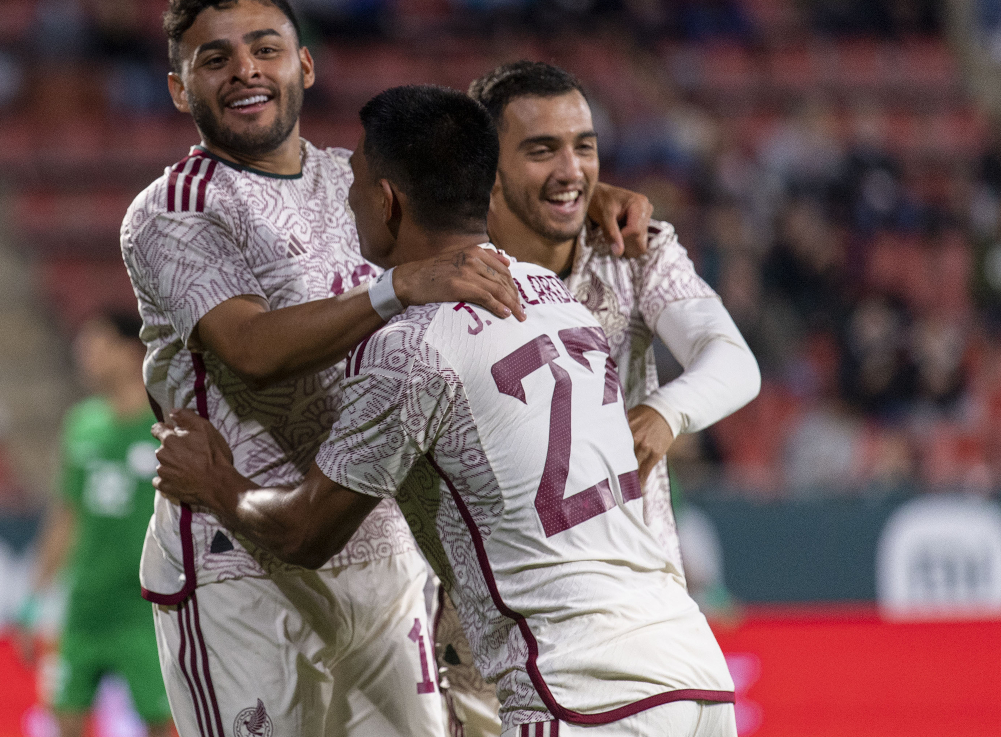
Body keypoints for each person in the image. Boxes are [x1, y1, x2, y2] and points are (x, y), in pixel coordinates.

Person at [120, 0, 650, 737]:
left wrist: (577, 196)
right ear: (180, 89)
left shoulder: (358, 179)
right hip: (238, 566)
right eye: (214, 58)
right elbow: (254, 349)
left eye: (264, 48)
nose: (244, 70)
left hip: (379, 549)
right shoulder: (174, 209)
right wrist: (398, 286)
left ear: (304, 64)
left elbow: (466, 197)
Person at [153, 84, 738, 737]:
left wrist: (215, 483)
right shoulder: (560, 299)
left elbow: (306, 533)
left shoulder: (413, 345)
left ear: (387, 200)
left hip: (579, 695)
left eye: (355, 181)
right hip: (695, 673)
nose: (346, 199)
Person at [434, 60, 761, 736]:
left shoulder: (632, 251)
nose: (571, 169)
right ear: (485, 171)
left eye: (584, 146)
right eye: (541, 149)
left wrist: (666, 412)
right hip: (493, 649)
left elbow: (732, 361)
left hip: (641, 631)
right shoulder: (444, 286)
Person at [19, 312, 172, 737]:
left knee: (160, 722)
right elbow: (65, 515)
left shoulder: (165, 425)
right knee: (64, 717)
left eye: (97, 344)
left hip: (145, 604)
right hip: (86, 604)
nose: (84, 355)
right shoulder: (81, 425)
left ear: (129, 351)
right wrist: (34, 599)